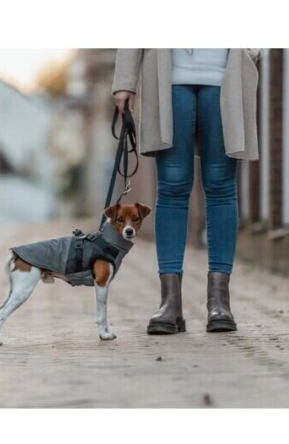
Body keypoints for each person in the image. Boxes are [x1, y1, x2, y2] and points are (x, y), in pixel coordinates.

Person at [111, 48, 261, 335]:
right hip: (169, 77)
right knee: (172, 186)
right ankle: (170, 302)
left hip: (224, 74)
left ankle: (220, 301)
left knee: (220, 185)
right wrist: (125, 80)